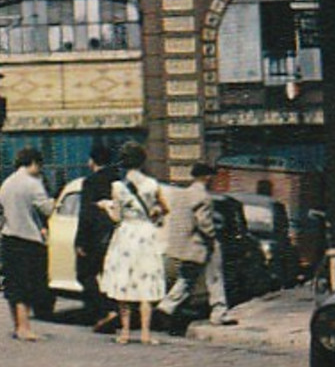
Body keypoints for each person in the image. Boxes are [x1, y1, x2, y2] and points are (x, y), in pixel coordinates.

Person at [99, 141, 168, 345]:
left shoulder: (118, 187)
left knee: (124, 282)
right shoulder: (152, 185)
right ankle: (146, 333)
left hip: (127, 235)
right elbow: (164, 208)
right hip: (146, 234)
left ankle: (126, 332)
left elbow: (117, 217)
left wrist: (106, 207)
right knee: (146, 282)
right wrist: (153, 213)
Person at [156, 162, 236, 332]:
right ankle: (219, 312)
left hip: (184, 246)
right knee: (215, 277)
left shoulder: (182, 195)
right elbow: (204, 223)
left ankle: (166, 307)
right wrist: (214, 238)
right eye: (211, 176)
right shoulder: (203, 197)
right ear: (207, 177)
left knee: (187, 278)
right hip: (201, 245)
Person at [0, 147, 55, 341]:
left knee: (13, 285)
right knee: (27, 285)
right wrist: (54, 201)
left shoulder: (7, 183)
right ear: (34, 163)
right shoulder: (33, 183)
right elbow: (46, 209)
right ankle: (25, 328)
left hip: (8, 237)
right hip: (28, 239)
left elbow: (1, 207)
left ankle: (17, 326)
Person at [76, 143, 122, 332]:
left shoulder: (90, 182)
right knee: (110, 275)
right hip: (117, 233)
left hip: (95, 236)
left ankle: (105, 311)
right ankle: (116, 309)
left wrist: (80, 241)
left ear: (93, 161)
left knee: (85, 274)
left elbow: (85, 214)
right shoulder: (118, 181)